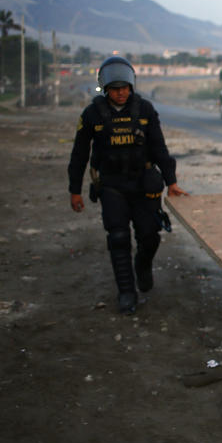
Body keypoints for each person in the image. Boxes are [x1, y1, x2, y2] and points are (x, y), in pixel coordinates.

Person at [68, 56, 187, 315]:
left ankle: (142, 266)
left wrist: (172, 182)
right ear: (106, 88)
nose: (120, 93)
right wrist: (74, 190)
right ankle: (126, 292)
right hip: (111, 185)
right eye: (115, 89)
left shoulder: (144, 110)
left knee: (149, 236)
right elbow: (79, 154)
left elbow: (159, 148)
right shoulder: (92, 114)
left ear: (131, 87)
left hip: (143, 184)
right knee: (118, 238)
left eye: (124, 88)